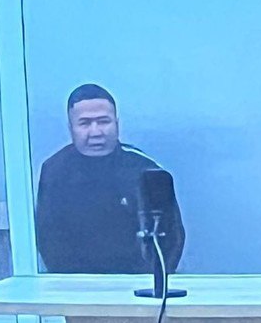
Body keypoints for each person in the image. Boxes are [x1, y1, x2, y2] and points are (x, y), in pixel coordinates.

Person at [35, 83, 185, 273]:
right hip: (73, 284)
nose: (96, 132)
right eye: (85, 123)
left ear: (117, 124)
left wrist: (147, 282)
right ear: (71, 128)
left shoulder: (146, 171)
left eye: (103, 121)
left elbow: (172, 239)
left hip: (138, 284)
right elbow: (48, 239)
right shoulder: (54, 171)